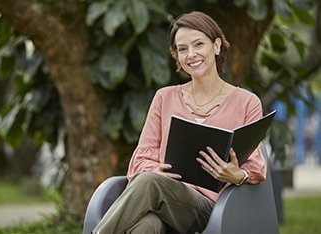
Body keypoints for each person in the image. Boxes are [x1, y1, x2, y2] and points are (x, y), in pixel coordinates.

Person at [93, 11, 266, 233]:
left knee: (149, 182)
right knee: (147, 226)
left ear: (216, 46)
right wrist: (156, 170)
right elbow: (141, 158)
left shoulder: (246, 102)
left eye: (198, 44)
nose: (191, 54)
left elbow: (256, 165)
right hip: (163, 201)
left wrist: (236, 175)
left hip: (213, 210)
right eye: (182, 49)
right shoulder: (164, 97)